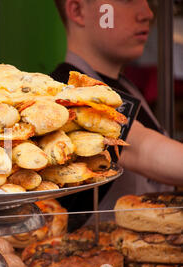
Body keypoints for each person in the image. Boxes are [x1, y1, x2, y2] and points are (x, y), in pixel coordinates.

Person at [50, 0, 183, 230]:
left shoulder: (123, 86)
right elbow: (143, 151)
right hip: (92, 260)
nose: (147, 13)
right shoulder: (67, 93)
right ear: (77, 10)